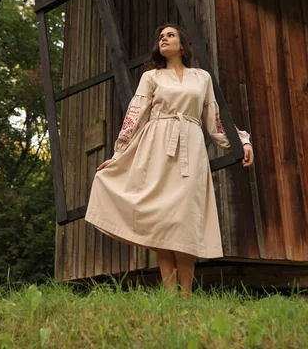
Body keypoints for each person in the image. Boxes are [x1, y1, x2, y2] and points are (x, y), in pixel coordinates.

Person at [85, 23, 254, 294]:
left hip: (191, 148)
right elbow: (135, 114)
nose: (164, 39)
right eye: (161, 36)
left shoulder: (202, 78)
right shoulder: (152, 77)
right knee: (163, 219)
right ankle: (169, 295)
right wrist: (118, 154)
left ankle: (185, 294)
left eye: (170, 35)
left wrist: (242, 142)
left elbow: (215, 119)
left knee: (185, 218)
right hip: (157, 148)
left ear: (183, 45)